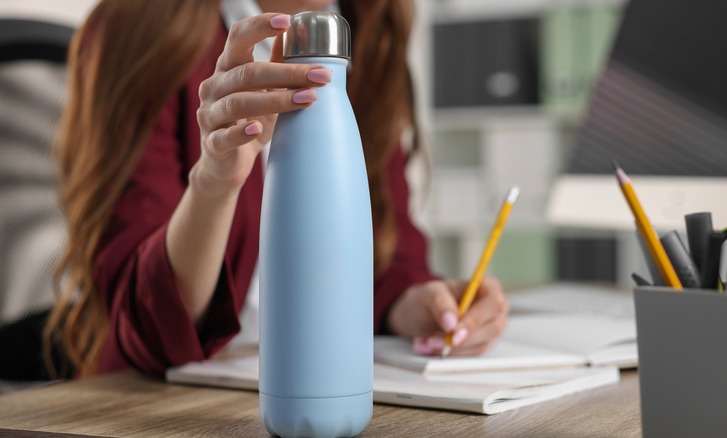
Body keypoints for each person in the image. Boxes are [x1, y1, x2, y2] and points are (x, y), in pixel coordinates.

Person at [45, 0, 509, 377]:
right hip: (165, 400)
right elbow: (145, 320)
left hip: (332, 379)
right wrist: (214, 184)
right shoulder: (144, 26)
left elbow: (386, 247)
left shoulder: (367, 26)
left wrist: (416, 305)